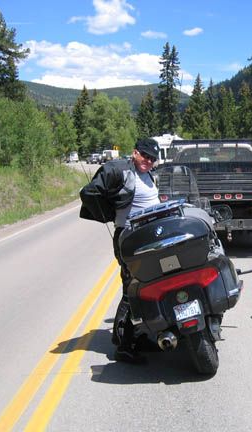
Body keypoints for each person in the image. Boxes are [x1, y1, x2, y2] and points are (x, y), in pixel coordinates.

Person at [79, 137, 161, 360]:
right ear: (135, 153)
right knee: (133, 289)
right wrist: (107, 213)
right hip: (129, 237)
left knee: (148, 286)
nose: (148, 160)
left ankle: (141, 336)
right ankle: (124, 343)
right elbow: (90, 192)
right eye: (145, 155)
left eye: (152, 158)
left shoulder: (147, 174)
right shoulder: (122, 171)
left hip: (148, 236)